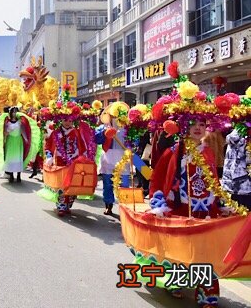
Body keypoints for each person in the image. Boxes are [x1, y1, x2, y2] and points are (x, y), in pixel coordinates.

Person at [149, 120, 222, 305]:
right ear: (184, 127)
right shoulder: (173, 152)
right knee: (179, 249)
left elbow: (213, 181)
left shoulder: (208, 152)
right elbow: (158, 179)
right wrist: (159, 202)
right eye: (193, 123)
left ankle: (207, 293)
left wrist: (219, 202)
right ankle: (175, 281)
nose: (198, 128)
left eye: (202, 124)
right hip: (180, 208)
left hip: (205, 210)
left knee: (207, 251)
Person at [95, 102, 131, 215]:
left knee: (124, 184)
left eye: (118, 115)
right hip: (108, 159)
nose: (116, 118)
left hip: (123, 159)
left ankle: (125, 209)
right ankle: (108, 205)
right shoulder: (104, 127)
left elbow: (135, 142)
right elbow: (97, 140)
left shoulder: (128, 129)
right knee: (107, 184)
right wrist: (104, 134)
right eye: (114, 115)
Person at [47, 118, 86, 216]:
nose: (67, 123)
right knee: (61, 184)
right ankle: (61, 206)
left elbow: (82, 146)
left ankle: (68, 204)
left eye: (70, 121)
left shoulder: (76, 132)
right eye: (65, 120)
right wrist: (49, 156)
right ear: (61, 121)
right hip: (60, 161)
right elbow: (48, 146)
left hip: (74, 161)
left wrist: (84, 157)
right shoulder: (55, 133)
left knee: (73, 184)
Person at [0, 107, 39, 183]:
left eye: (16, 112)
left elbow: (23, 132)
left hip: (18, 141)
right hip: (10, 141)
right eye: (13, 112)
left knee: (18, 158)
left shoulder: (20, 122)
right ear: (10, 113)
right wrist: (8, 132)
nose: (14, 113)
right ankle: (11, 175)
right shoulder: (7, 122)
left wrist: (26, 139)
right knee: (10, 158)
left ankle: (19, 175)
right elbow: (5, 133)